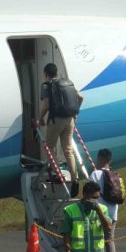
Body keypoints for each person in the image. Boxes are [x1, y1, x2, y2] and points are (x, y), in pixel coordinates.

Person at [38, 62, 84, 197]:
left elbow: (46, 104)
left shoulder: (46, 85)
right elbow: (80, 97)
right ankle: (75, 179)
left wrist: (40, 118)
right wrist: (76, 111)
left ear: (46, 75)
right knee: (68, 150)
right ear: (57, 72)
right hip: (69, 120)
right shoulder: (67, 82)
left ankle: (57, 173)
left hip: (55, 120)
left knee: (49, 147)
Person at [89, 148, 120, 252]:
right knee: (109, 240)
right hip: (113, 213)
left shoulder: (95, 174)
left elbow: (90, 193)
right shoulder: (116, 176)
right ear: (110, 160)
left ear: (99, 159)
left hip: (99, 212)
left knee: (96, 238)